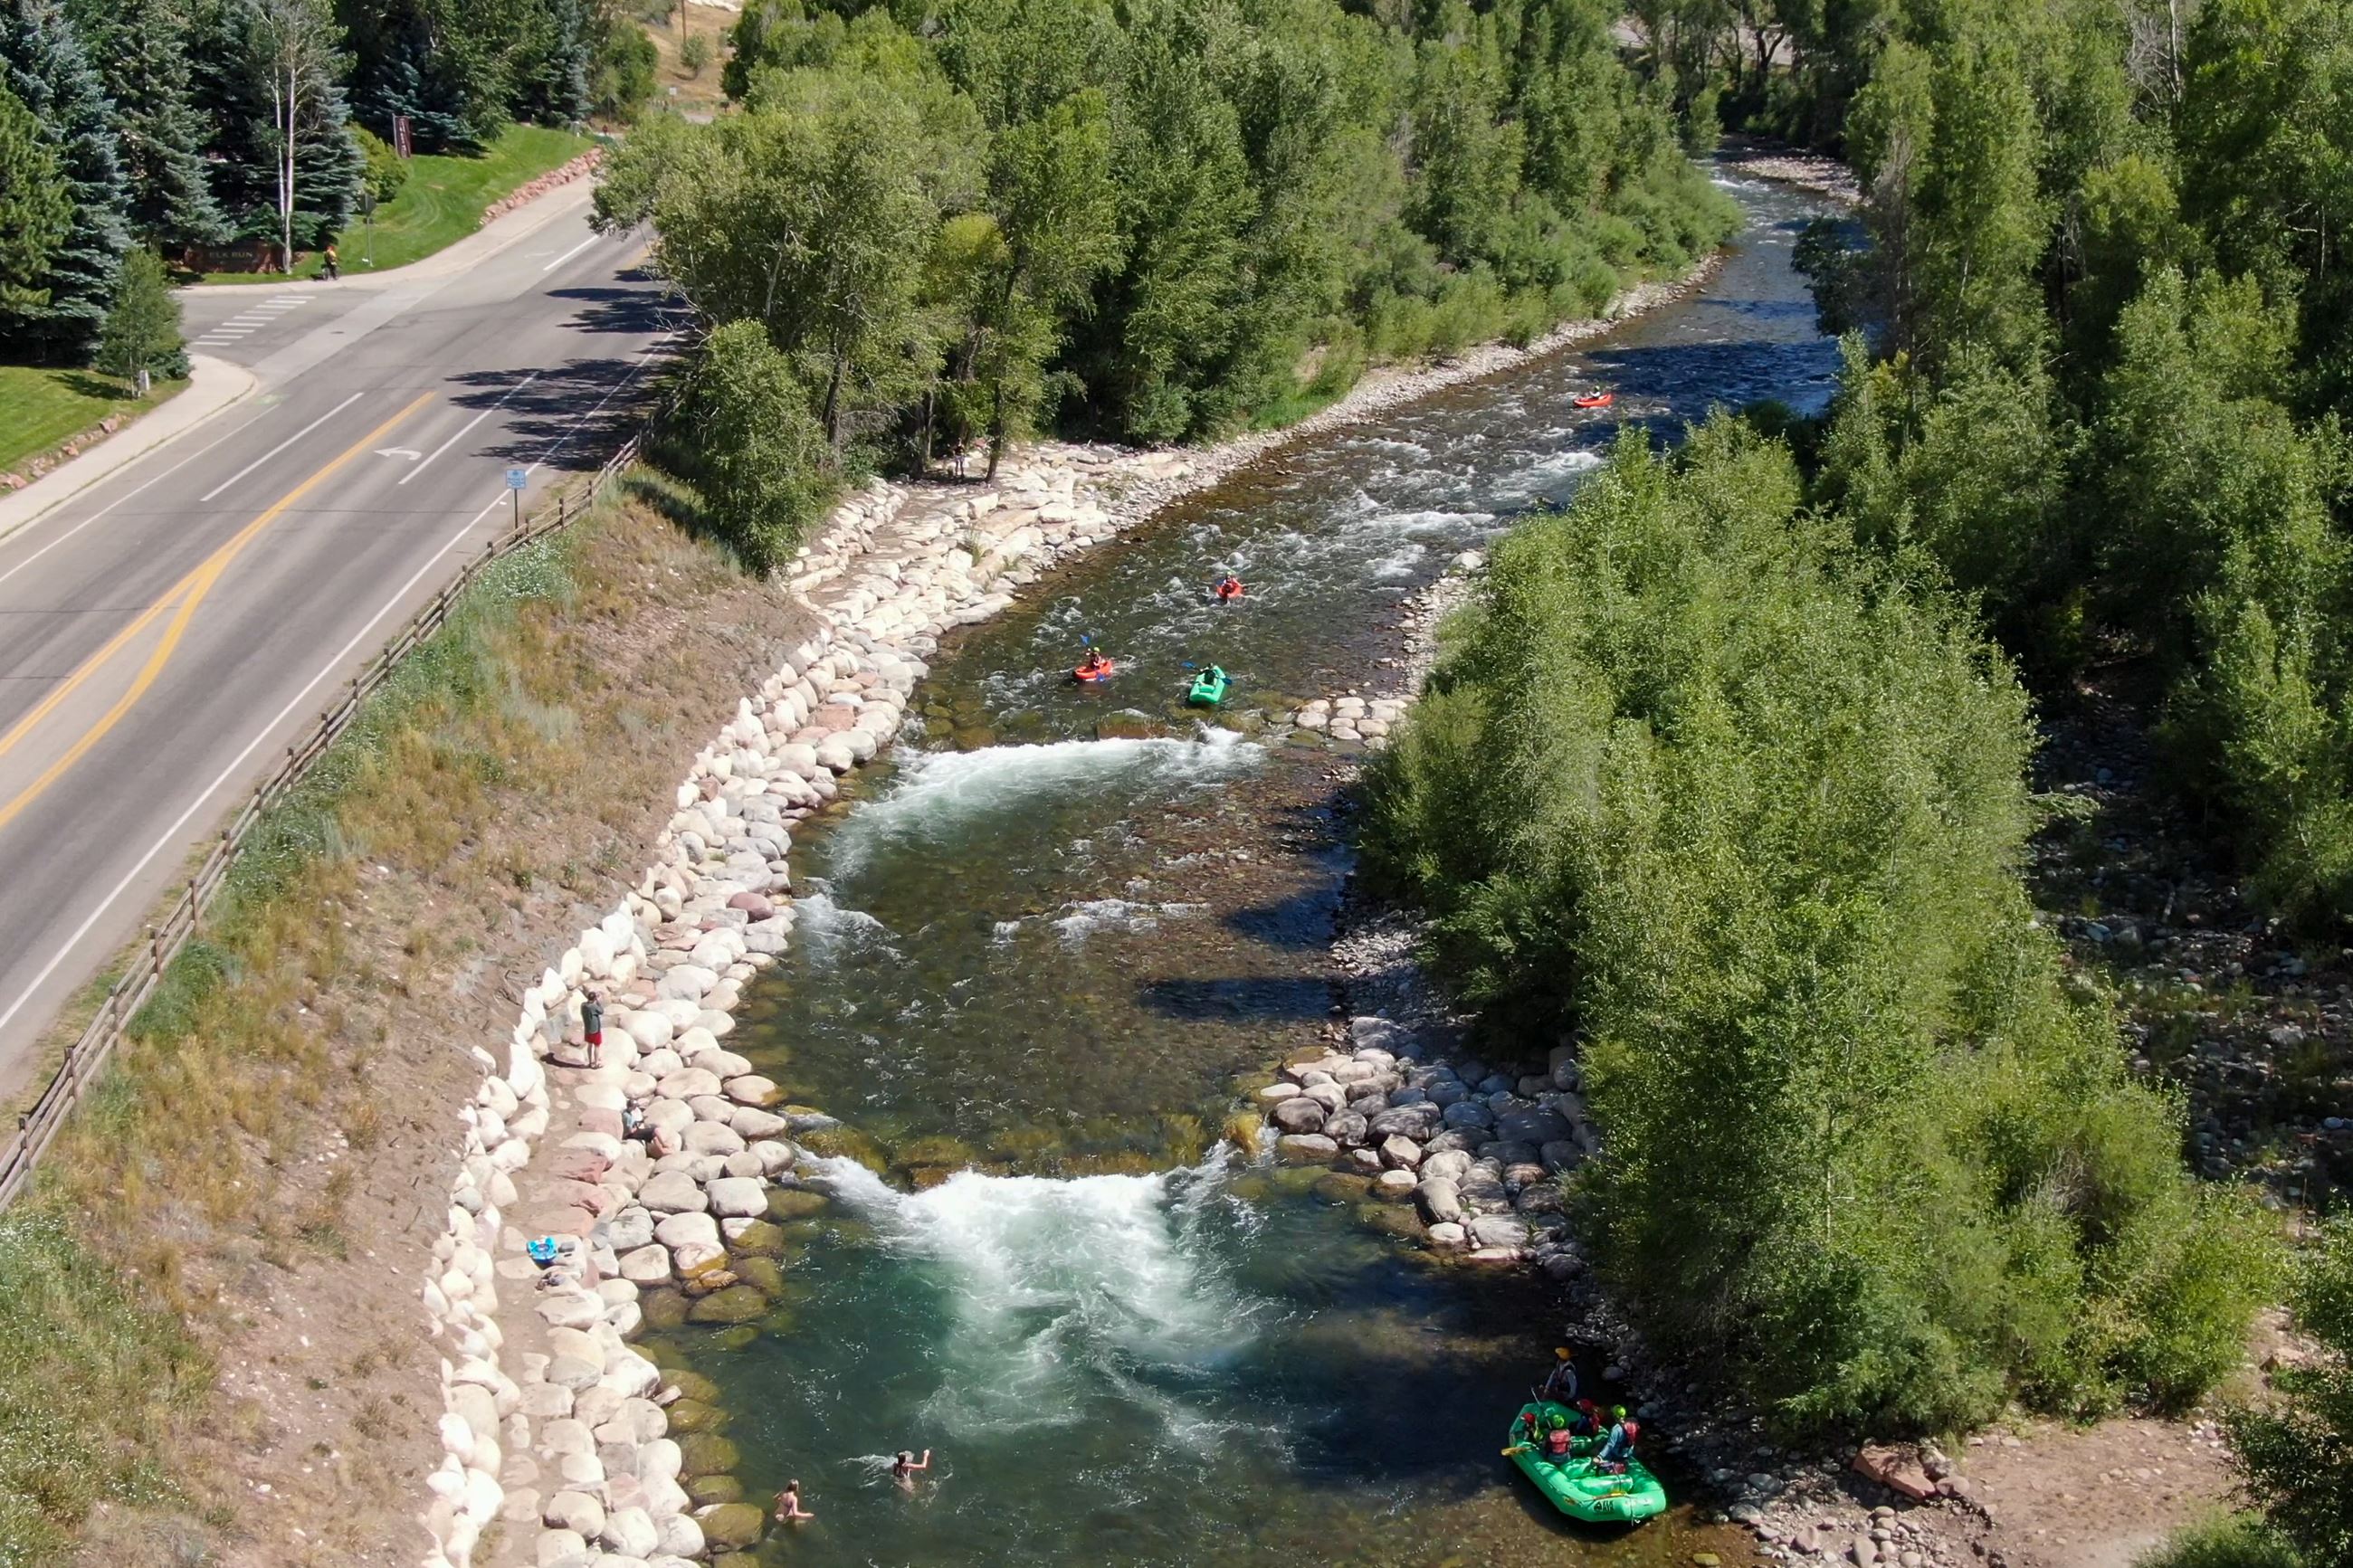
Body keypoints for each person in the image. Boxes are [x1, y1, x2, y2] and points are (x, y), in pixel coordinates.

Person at [1595, 1407, 1639, 1472]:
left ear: (1615, 1416)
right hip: (1627, 1454)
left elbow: (1610, 1445)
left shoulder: (1616, 1429)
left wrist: (1599, 1456)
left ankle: (1609, 1466)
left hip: (1616, 1455)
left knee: (1597, 1449)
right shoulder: (1632, 1425)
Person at [581, 989, 605, 1067]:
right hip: (595, 1030)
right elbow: (601, 1011)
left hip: (587, 1029)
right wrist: (598, 1002)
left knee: (589, 1045)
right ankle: (596, 1062)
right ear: (594, 999)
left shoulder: (583, 1005)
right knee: (597, 1046)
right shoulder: (593, 1006)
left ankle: (590, 1062)